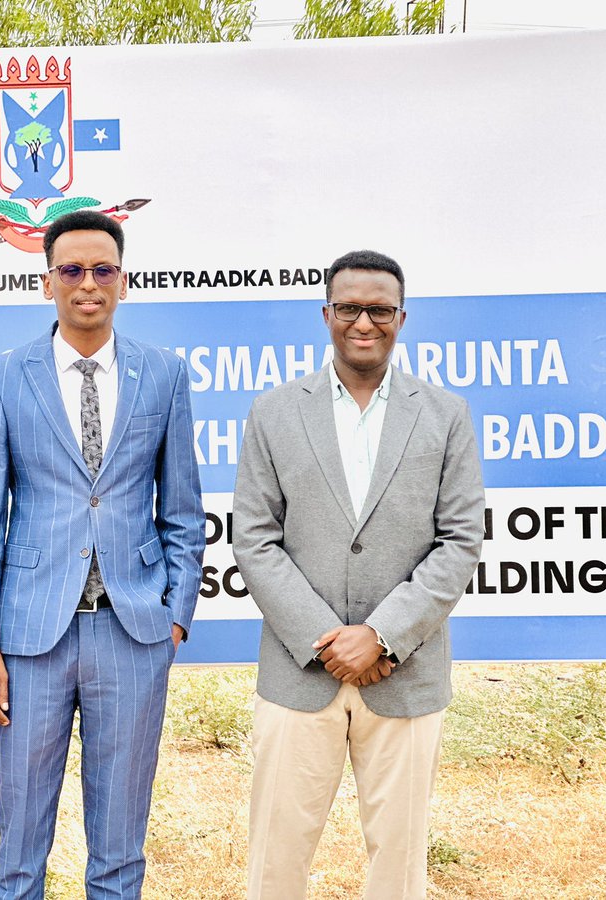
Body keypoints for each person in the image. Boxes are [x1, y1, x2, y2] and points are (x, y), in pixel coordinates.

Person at [0, 210, 205, 899]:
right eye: (72, 270)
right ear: (48, 283)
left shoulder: (163, 374)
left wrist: (174, 616)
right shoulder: (5, 376)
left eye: (102, 270)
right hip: (31, 639)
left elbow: (183, 510)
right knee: (18, 849)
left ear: (122, 282)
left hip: (131, 633)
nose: (87, 284)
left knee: (121, 851)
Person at [232, 249, 486, 899]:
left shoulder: (446, 414)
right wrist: (328, 637)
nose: (363, 322)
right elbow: (255, 540)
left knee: (400, 870)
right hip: (300, 673)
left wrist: (383, 634)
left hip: (406, 675)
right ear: (326, 315)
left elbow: (459, 541)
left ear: (402, 317)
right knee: (275, 863)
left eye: (379, 309)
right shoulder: (274, 412)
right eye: (349, 308)